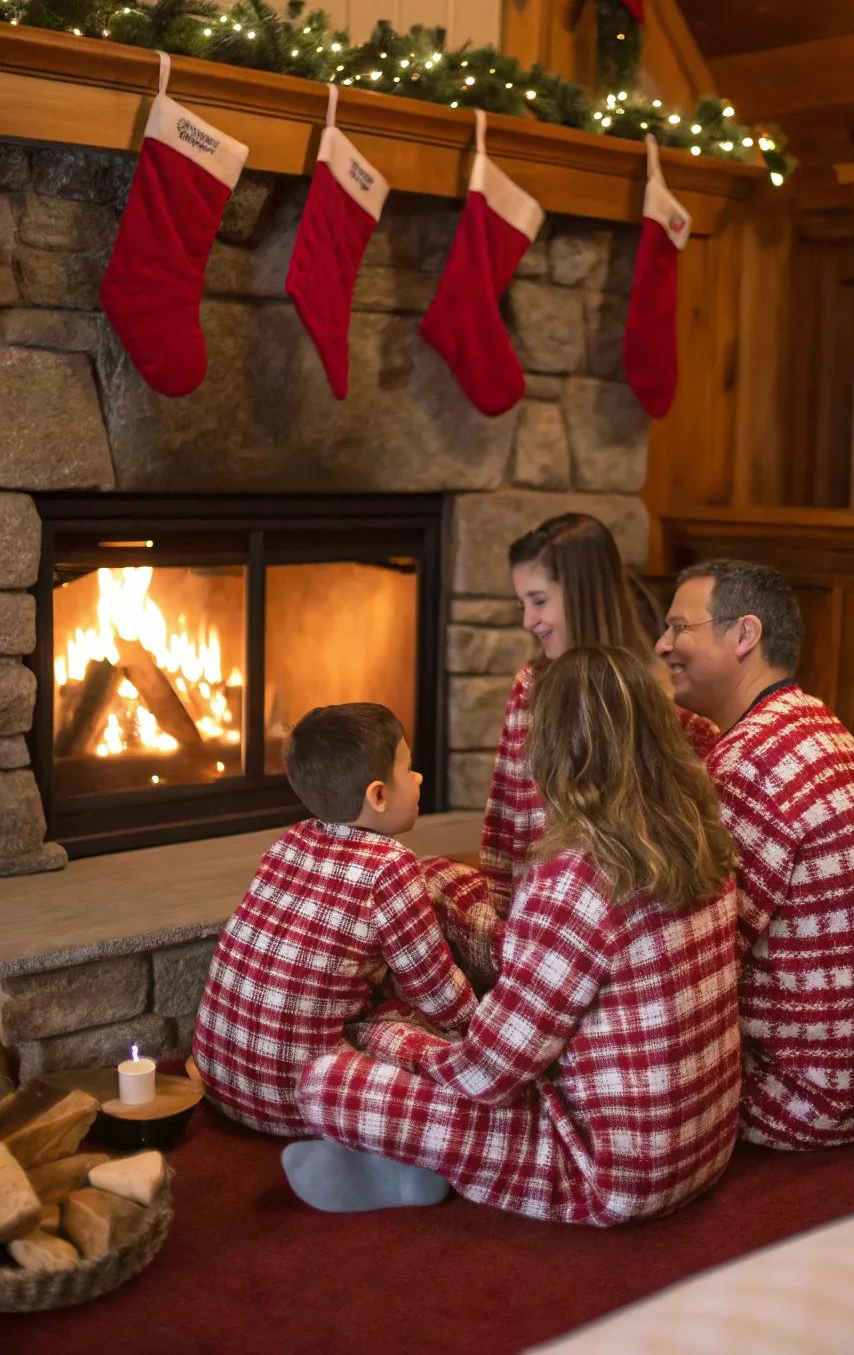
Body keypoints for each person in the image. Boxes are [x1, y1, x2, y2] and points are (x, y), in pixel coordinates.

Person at [283, 646, 740, 1225]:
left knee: (324, 1082)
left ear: (551, 749)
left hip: (605, 1171)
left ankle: (407, 1163)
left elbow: (488, 1076)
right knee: (435, 876)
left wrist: (389, 1034)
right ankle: (402, 1167)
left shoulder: (574, 878)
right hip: (705, 1147)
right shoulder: (704, 837)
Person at [654, 558, 854, 1150]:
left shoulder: (749, 762)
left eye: (680, 628)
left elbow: (700, 954)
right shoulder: (812, 724)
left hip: (807, 1095)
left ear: (743, 635)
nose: (662, 645)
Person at [192, 703, 476, 1136]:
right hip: (306, 1099)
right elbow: (433, 989)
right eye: (410, 769)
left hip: (218, 1079)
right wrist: (480, 1026)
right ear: (378, 796)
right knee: (434, 1048)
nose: (419, 779)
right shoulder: (390, 866)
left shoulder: (290, 841)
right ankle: (375, 1152)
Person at [480, 512, 655, 917]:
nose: (528, 621)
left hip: (622, 911)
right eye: (522, 603)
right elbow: (507, 818)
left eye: (539, 601)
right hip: (540, 907)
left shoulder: (647, 690)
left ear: (583, 592)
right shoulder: (532, 686)